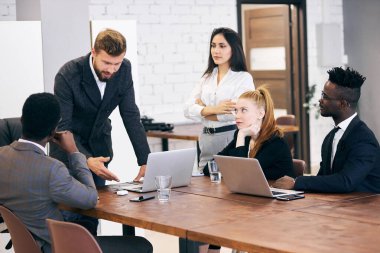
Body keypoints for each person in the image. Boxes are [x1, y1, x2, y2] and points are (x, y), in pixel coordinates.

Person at [0, 93, 153, 253]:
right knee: (141, 245)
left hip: (29, 246)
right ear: (54, 131)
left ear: (22, 120)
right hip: (58, 247)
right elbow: (91, 199)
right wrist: (74, 152)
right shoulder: (52, 169)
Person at [51, 28, 150, 235]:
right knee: (71, 219)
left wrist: (146, 160)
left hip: (99, 149)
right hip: (69, 152)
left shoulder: (124, 69)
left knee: (91, 215)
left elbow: (130, 114)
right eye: (107, 63)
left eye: (117, 63)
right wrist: (85, 160)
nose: (112, 70)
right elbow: (62, 128)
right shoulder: (68, 75)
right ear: (93, 52)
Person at [274, 67, 380, 193]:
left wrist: (297, 182)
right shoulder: (331, 136)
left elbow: (346, 181)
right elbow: (323, 179)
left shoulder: (364, 140)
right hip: (338, 205)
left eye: (325, 96)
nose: (320, 100)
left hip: (364, 208)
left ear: (342, 104)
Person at [184, 27, 254, 174]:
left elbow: (234, 113)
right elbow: (187, 109)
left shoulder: (243, 78)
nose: (216, 50)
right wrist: (215, 109)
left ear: (233, 49)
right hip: (206, 138)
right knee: (204, 183)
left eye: (222, 46)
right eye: (213, 46)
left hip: (229, 137)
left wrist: (202, 110)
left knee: (229, 184)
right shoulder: (207, 77)